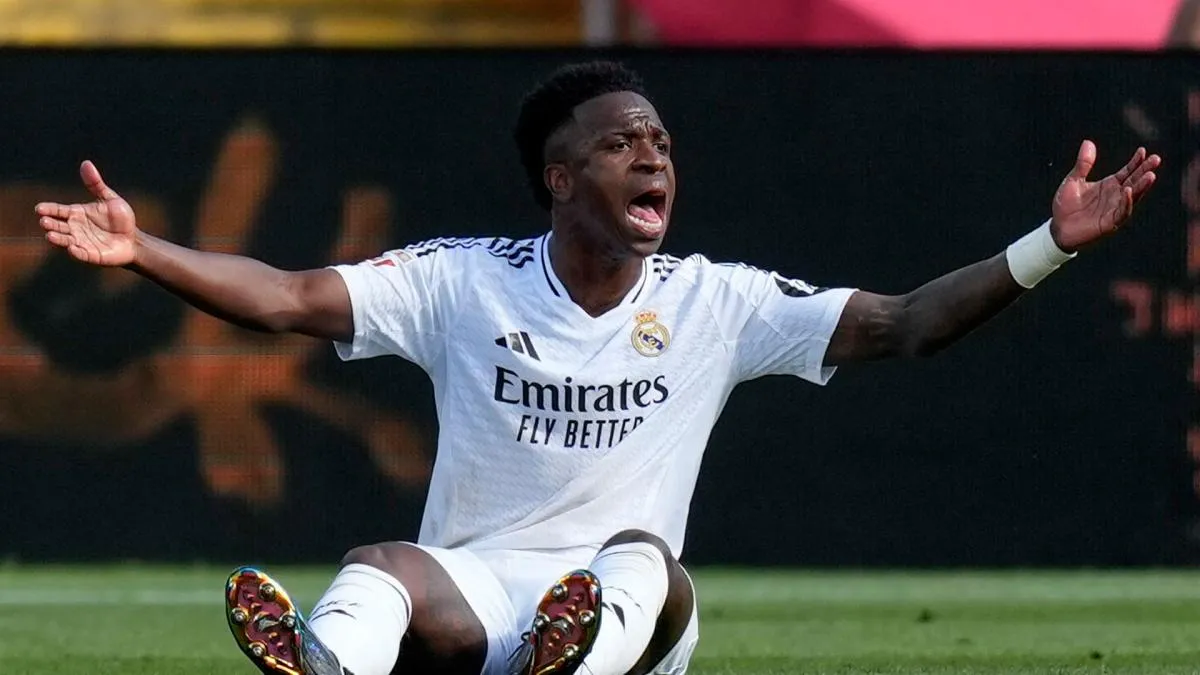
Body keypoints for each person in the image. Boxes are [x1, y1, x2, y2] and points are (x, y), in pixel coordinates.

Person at [33, 61, 1159, 675]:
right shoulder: (461, 280)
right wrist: (142, 251)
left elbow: (907, 323)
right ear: (561, 180)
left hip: (624, 616)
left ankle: (563, 665)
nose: (652, 154)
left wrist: (1050, 245)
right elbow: (284, 296)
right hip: (481, 597)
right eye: (621, 142)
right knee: (378, 568)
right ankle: (328, 665)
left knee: (645, 560)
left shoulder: (715, 300)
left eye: (660, 141)